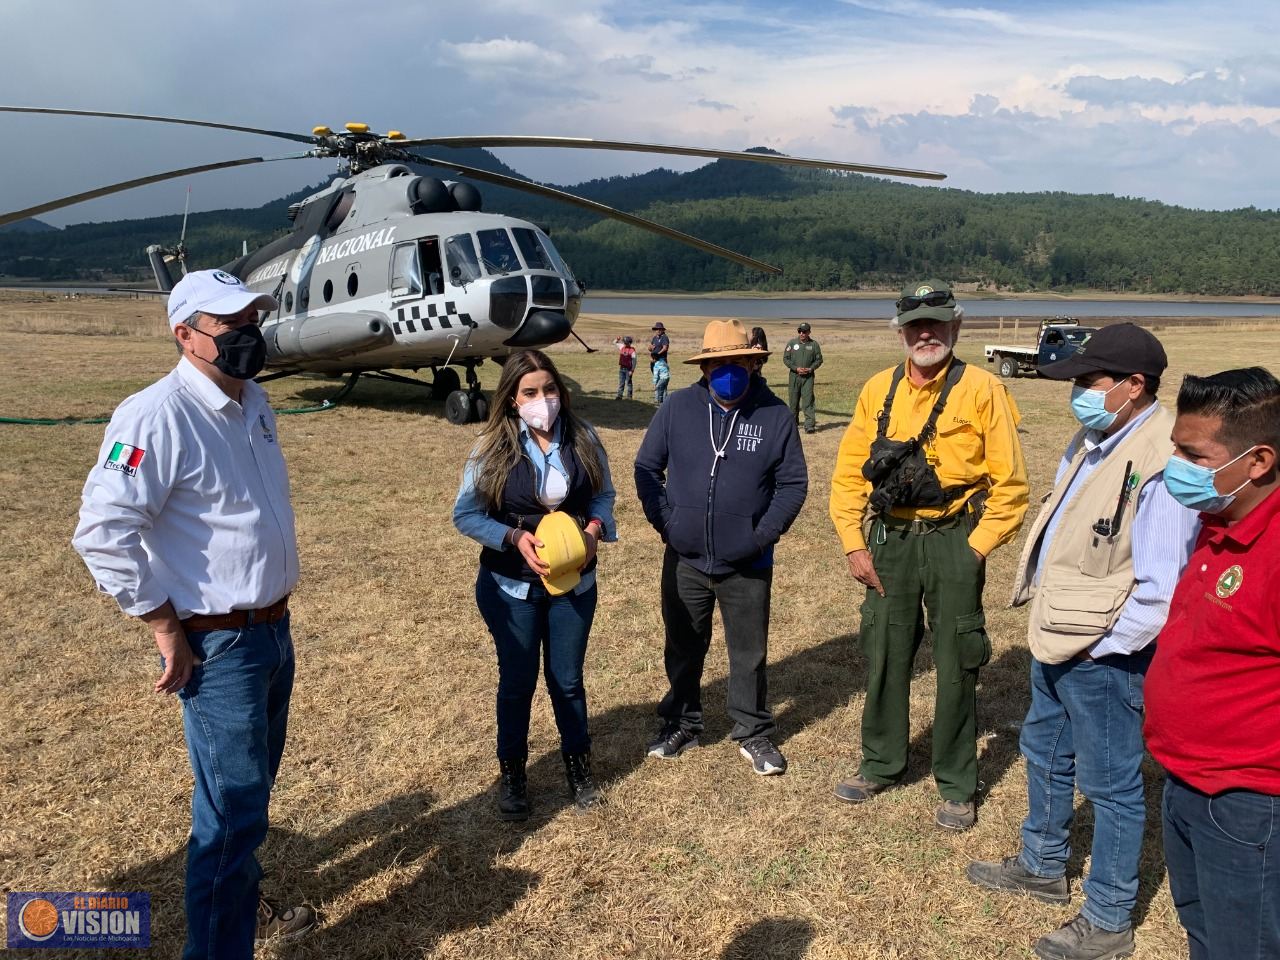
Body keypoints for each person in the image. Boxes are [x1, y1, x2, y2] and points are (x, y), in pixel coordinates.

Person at [71, 269, 315, 959]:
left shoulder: (255, 400)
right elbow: (101, 532)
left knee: (245, 803)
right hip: (220, 648)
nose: (249, 336)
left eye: (253, 321)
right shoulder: (156, 415)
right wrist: (162, 623)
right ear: (185, 335)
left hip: (272, 632)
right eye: (230, 326)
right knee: (233, 817)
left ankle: (246, 906)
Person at [966, 324, 1199, 960]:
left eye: (1089, 381)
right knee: (1043, 746)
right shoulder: (1098, 436)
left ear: (1134, 386)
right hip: (1061, 633)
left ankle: (1108, 917)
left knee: (1112, 786)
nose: (1078, 392)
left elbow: (1160, 588)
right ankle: (1042, 863)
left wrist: (1104, 646)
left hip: (1103, 650)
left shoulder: (1161, 459)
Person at [829, 278, 1028, 831]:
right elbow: (848, 474)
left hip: (954, 539)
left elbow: (1011, 486)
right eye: (915, 324)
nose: (926, 333)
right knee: (885, 652)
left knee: (958, 662)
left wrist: (975, 549)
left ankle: (958, 782)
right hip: (889, 540)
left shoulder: (983, 389)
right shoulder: (877, 390)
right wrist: (853, 542)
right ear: (900, 331)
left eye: (937, 322)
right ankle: (881, 763)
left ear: (956, 327)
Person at [1143, 367, 1280, 960]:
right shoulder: (1220, 524)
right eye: (1175, 447)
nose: (1175, 463)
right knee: (1205, 934)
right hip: (1185, 780)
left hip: (1246, 799)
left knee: (1243, 946)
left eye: (1192, 455)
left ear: (1258, 462)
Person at [635, 319, 808, 775]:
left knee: (748, 651)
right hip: (686, 557)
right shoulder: (677, 408)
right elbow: (646, 469)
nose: (728, 370)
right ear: (705, 367)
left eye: (737, 361)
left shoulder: (775, 416)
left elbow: (793, 485)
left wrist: (760, 535)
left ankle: (752, 731)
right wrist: (668, 525)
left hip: (747, 562)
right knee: (683, 644)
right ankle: (682, 722)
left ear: (753, 362)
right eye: (718, 363)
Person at [453, 349, 618, 820]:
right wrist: (510, 536)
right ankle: (514, 776)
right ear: (511, 399)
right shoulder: (491, 450)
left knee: (567, 682)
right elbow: (465, 515)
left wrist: (593, 530)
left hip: (575, 585)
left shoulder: (584, 437)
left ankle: (579, 769)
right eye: (530, 392)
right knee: (517, 683)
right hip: (512, 588)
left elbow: (604, 494)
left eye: (549, 390)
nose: (542, 400)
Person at [783, 322, 823, 434]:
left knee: (808, 401)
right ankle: (793, 423)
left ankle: (809, 425)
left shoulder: (814, 345)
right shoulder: (792, 343)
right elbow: (786, 359)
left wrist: (811, 369)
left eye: (804, 331)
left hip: (808, 378)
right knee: (793, 401)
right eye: (800, 331)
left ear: (809, 332)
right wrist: (796, 368)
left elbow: (819, 360)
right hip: (794, 377)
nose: (802, 333)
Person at [613, 335, 637, 399]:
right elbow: (614, 343)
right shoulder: (622, 346)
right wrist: (617, 339)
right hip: (622, 368)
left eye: (626, 342)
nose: (625, 343)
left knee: (629, 383)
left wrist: (632, 370)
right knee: (621, 383)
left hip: (628, 369)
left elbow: (634, 361)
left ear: (629, 343)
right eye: (624, 342)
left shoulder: (632, 350)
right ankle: (619, 396)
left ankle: (629, 396)